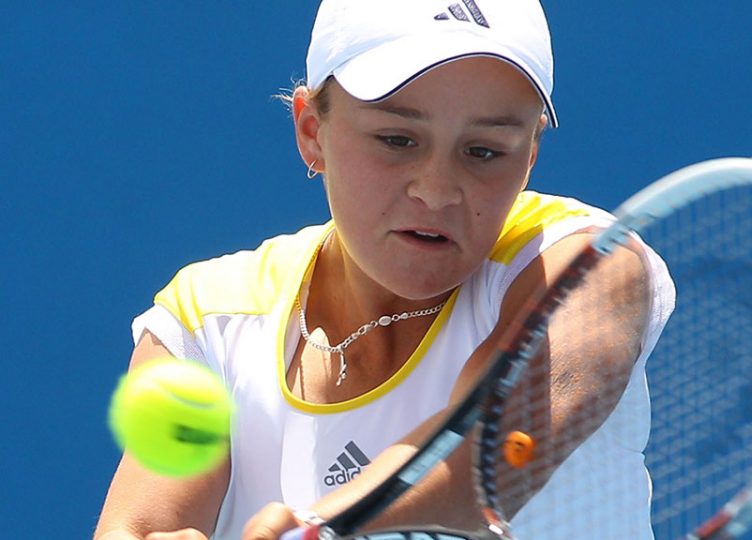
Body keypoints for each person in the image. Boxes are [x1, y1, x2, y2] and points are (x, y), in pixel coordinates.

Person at [94, 1, 675, 539]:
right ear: (311, 131)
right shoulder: (208, 322)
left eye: (485, 151)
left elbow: (483, 457)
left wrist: (319, 527)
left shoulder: (585, 268)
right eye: (397, 139)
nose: (437, 191)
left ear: (529, 157)